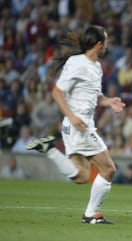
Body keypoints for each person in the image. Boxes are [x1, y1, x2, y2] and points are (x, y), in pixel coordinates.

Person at [26, 25, 125, 224]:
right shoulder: (77, 63)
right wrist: (71, 116)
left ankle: (50, 150)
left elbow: (94, 97)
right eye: (105, 41)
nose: (107, 45)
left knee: (81, 176)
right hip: (78, 124)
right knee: (108, 169)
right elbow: (57, 92)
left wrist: (109, 101)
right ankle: (91, 214)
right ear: (98, 45)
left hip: (77, 125)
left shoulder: (96, 66)